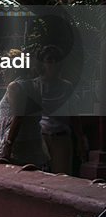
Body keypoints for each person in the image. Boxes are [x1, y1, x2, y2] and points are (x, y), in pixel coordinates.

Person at [35, 44, 83, 175]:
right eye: (49, 60)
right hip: (40, 137)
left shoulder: (66, 87)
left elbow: (74, 114)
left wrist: (80, 139)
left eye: (56, 60)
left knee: (62, 177)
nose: (53, 64)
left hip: (61, 137)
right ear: (43, 63)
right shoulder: (35, 85)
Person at [0, 56, 49, 169]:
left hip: (17, 144)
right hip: (32, 140)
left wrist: (8, 144)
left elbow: (19, 116)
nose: (1, 72)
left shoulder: (14, 87)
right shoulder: (34, 84)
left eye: (4, 68)